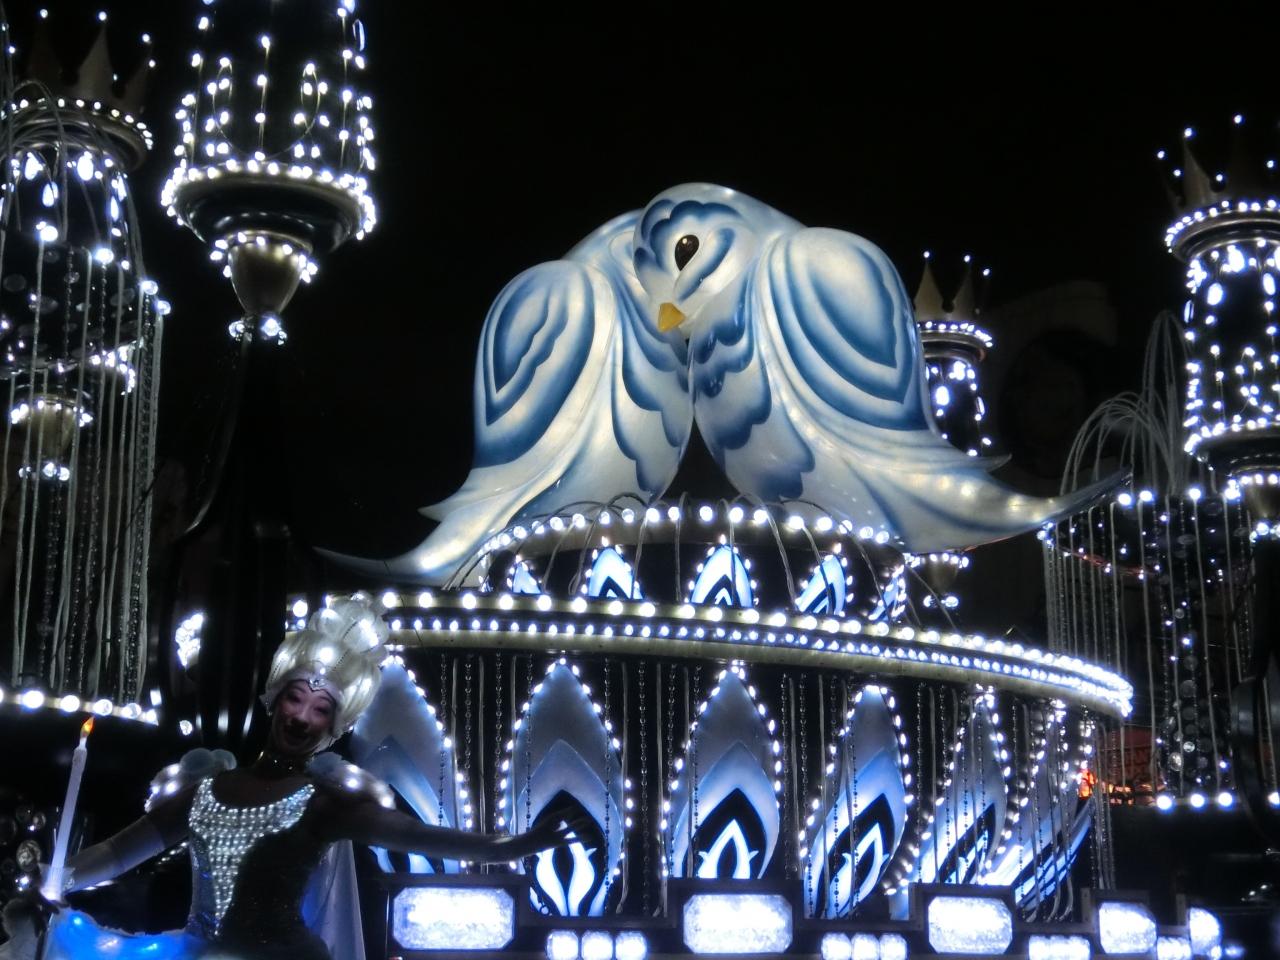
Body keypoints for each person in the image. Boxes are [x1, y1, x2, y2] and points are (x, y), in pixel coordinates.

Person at [12, 594, 583, 960]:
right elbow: (119, 851)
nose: (303, 717)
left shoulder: (322, 802)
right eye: (296, 698)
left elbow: (416, 836)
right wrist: (54, 875)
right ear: (274, 699)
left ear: (332, 728)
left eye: (320, 709)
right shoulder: (205, 790)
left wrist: (512, 846)